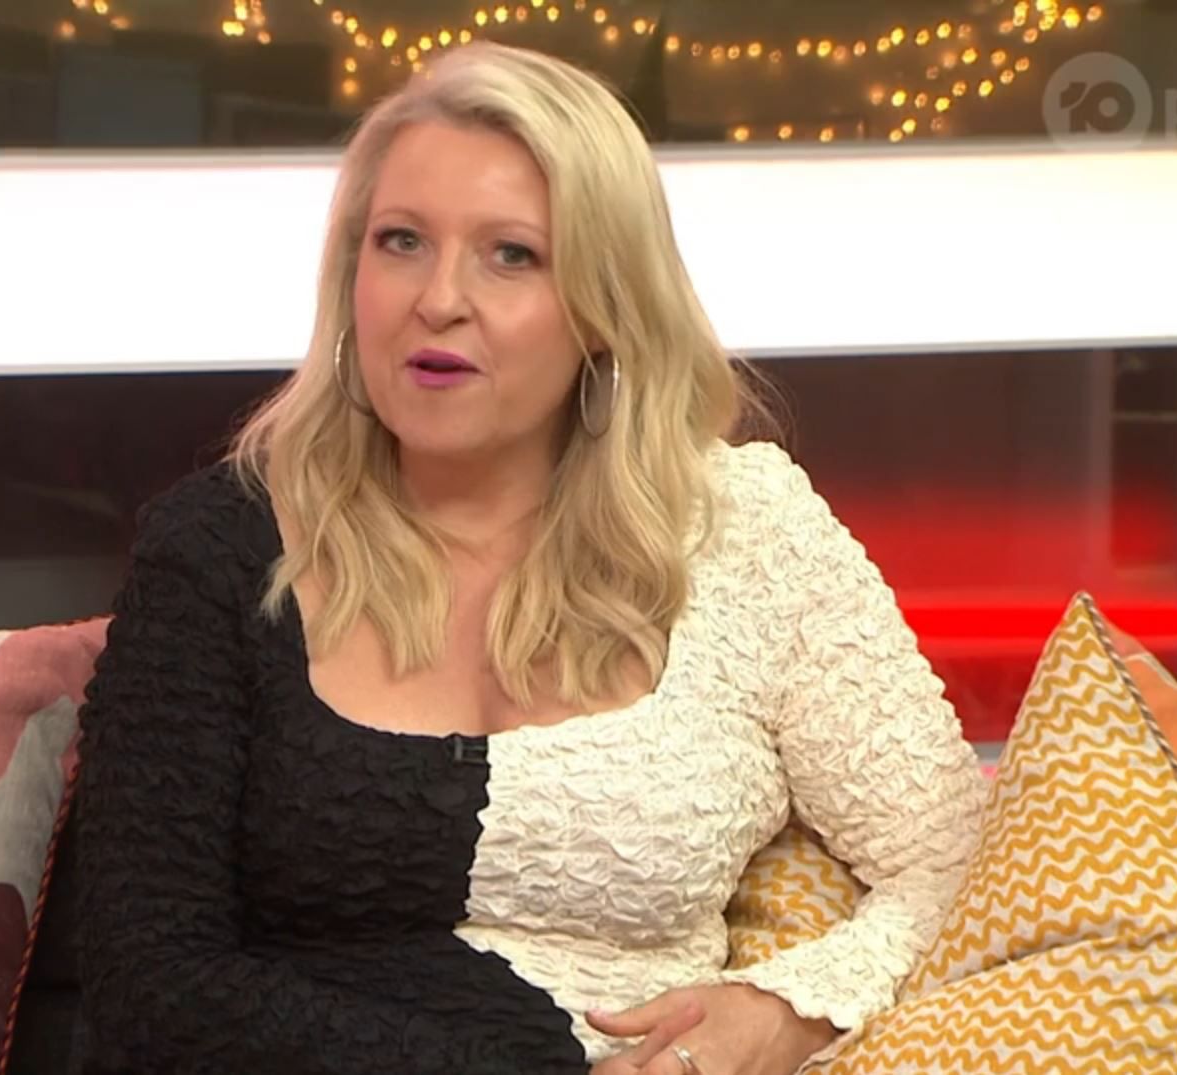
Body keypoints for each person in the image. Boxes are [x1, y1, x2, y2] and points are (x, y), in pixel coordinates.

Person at [72, 41, 987, 1075]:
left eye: (511, 255)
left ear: (603, 307)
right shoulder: (222, 545)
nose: (438, 299)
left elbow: (958, 866)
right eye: (400, 241)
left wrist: (783, 1012)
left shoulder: (745, 531)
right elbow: (148, 978)